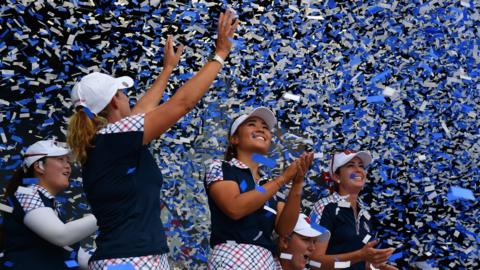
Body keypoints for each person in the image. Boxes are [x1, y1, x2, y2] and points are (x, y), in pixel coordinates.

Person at [66, 10, 238, 269]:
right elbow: (183, 103)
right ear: (114, 100)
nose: (129, 98)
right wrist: (220, 54)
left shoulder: (106, 141)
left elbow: (142, 111)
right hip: (131, 259)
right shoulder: (115, 138)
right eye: (123, 93)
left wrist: (167, 70)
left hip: (126, 257)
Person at [205, 107, 314, 269]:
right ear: (234, 139)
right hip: (231, 258)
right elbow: (235, 208)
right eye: (251, 124)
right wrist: (282, 179)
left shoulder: (268, 184)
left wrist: (297, 183)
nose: (261, 129)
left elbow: (284, 229)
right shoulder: (221, 167)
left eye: (265, 127)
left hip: (265, 261)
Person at [1, 140, 98, 269]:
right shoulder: (27, 193)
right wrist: (110, 213)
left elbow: (78, 256)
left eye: (67, 160)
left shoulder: (52, 206)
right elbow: (61, 236)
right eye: (60, 159)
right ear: (38, 166)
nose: (68, 166)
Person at [309, 150, 397, 270]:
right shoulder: (325, 207)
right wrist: (360, 255)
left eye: (361, 166)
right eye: (351, 165)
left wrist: (378, 267)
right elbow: (314, 262)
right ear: (336, 176)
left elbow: (360, 263)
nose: (359, 170)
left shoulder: (365, 214)